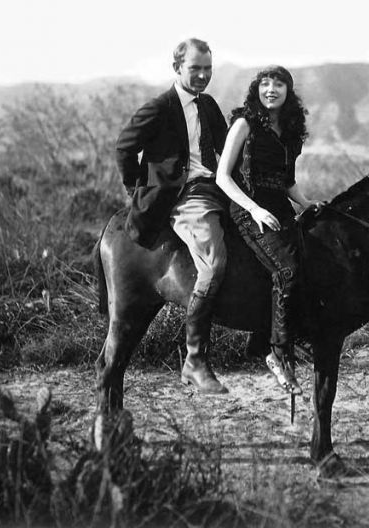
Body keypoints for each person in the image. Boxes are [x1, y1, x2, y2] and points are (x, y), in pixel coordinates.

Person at [116, 38, 230, 394]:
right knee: (213, 263)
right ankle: (195, 359)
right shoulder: (159, 108)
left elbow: (225, 149)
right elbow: (124, 147)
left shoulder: (209, 105)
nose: (202, 76)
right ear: (177, 67)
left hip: (217, 187)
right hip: (186, 196)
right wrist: (139, 189)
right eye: (195, 68)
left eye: (207, 69)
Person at [216, 66, 321, 395]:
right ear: (256, 89)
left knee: (308, 261)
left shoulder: (289, 131)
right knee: (286, 270)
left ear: (288, 91)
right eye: (265, 83)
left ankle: (265, 337)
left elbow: (286, 181)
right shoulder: (244, 124)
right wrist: (254, 209)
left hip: (280, 209)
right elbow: (223, 177)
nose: (271, 89)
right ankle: (275, 353)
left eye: (279, 84)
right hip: (247, 209)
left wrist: (305, 203)